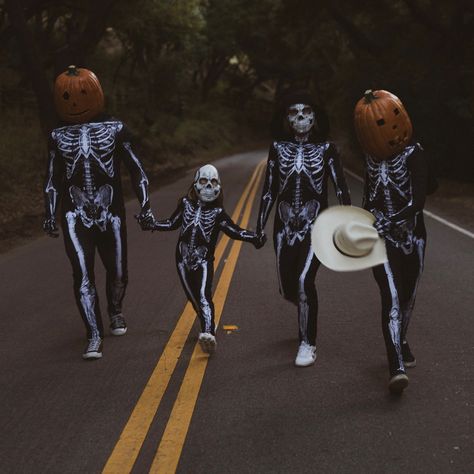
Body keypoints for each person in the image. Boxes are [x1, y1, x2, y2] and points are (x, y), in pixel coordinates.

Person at [43, 65, 155, 360]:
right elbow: (53, 178)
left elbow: (137, 169)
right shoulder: (56, 136)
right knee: (82, 273)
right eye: (67, 96)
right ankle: (93, 334)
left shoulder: (116, 129)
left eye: (82, 93)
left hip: (111, 213)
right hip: (74, 215)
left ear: (95, 93)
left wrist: (145, 205)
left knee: (118, 272)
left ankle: (115, 310)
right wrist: (49, 212)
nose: (75, 101)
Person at [255, 91, 351, 367]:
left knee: (303, 282)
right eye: (293, 113)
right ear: (285, 118)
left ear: (316, 117)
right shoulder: (277, 148)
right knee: (288, 288)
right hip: (283, 227)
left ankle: (307, 343)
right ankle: (303, 305)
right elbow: (269, 189)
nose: (300, 118)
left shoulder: (327, 150)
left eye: (306, 112)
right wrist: (259, 226)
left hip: (315, 226)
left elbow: (341, 186)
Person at [354, 89, 429, 393]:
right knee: (392, 298)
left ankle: (402, 340)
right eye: (381, 125)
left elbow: (419, 200)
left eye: (396, 119)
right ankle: (395, 364)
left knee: (408, 297)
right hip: (381, 241)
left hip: (413, 237)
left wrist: (393, 219)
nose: (393, 131)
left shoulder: (415, 154)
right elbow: (368, 199)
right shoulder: (370, 161)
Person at [152, 164, 263, 353]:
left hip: (204, 260)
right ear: (195, 185)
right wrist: (152, 223)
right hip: (182, 258)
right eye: (204, 181)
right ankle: (207, 321)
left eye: (213, 182)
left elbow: (234, 230)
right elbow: (172, 223)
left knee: (203, 295)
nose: (208, 187)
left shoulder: (218, 213)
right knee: (193, 298)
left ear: (219, 187)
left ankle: (208, 332)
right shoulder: (185, 204)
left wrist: (253, 237)